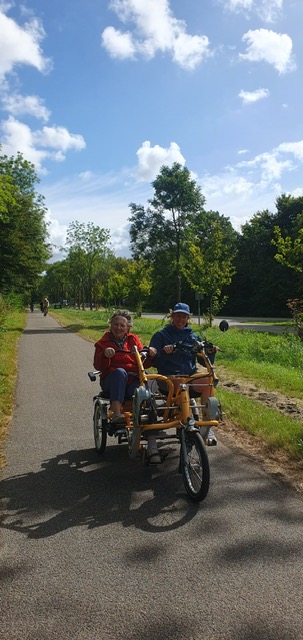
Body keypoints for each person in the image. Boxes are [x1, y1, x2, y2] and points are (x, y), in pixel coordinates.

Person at [149, 302, 219, 445]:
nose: (181, 319)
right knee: (182, 384)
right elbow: (153, 360)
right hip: (168, 380)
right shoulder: (161, 335)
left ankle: (206, 427)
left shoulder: (193, 337)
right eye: (178, 316)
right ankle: (185, 419)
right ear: (172, 316)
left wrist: (210, 352)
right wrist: (163, 353)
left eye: (184, 317)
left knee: (208, 383)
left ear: (188, 318)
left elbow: (201, 360)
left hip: (189, 378)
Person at [93, 310, 158, 458]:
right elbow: (98, 365)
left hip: (132, 380)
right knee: (120, 372)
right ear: (110, 326)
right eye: (115, 324)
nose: (118, 328)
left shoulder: (133, 339)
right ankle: (117, 413)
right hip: (112, 379)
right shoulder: (103, 343)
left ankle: (151, 437)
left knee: (145, 391)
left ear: (128, 328)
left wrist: (150, 355)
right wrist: (105, 355)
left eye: (122, 325)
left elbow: (143, 362)